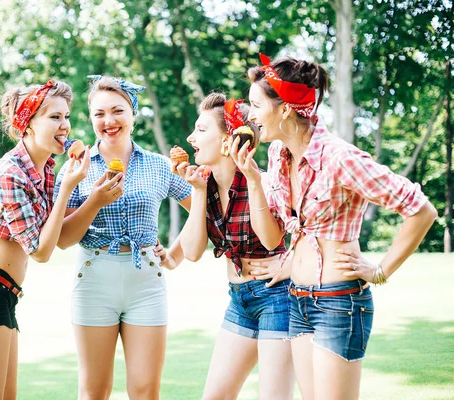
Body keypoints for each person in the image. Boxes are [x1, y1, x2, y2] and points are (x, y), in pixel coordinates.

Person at [237, 53, 437, 400]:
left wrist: (380, 270)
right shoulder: (277, 156)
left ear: (284, 109)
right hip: (297, 300)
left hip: (339, 302)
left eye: (256, 105)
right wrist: (253, 180)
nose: (249, 115)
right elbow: (271, 240)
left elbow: (422, 210)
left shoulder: (339, 157)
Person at [0, 79, 89, 400]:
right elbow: (39, 251)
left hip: (2, 294)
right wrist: (67, 187)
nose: (65, 125)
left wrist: (92, 196)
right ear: (26, 123)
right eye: (54, 117)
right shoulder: (11, 173)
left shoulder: (46, 169)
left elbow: (56, 235)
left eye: (66, 116)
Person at [54, 75, 192, 400]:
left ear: (133, 113)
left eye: (118, 111)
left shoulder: (159, 166)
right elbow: (62, 239)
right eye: (99, 114)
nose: (109, 121)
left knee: (145, 391)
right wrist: (95, 201)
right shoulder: (76, 168)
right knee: (94, 391)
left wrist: (175, 254)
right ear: (91, 119)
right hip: (93, 278)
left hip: (147, 282)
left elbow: (202, 207)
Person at [172, 92, 295, 400]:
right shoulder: (206, 184)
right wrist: (198, 191)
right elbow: (192, 252)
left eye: (201, 130)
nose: (191, 137)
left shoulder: (262, 181)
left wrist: (253, 182)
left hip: (276, 297)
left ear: (229, 139)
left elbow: (271, 240)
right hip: (240, 301)